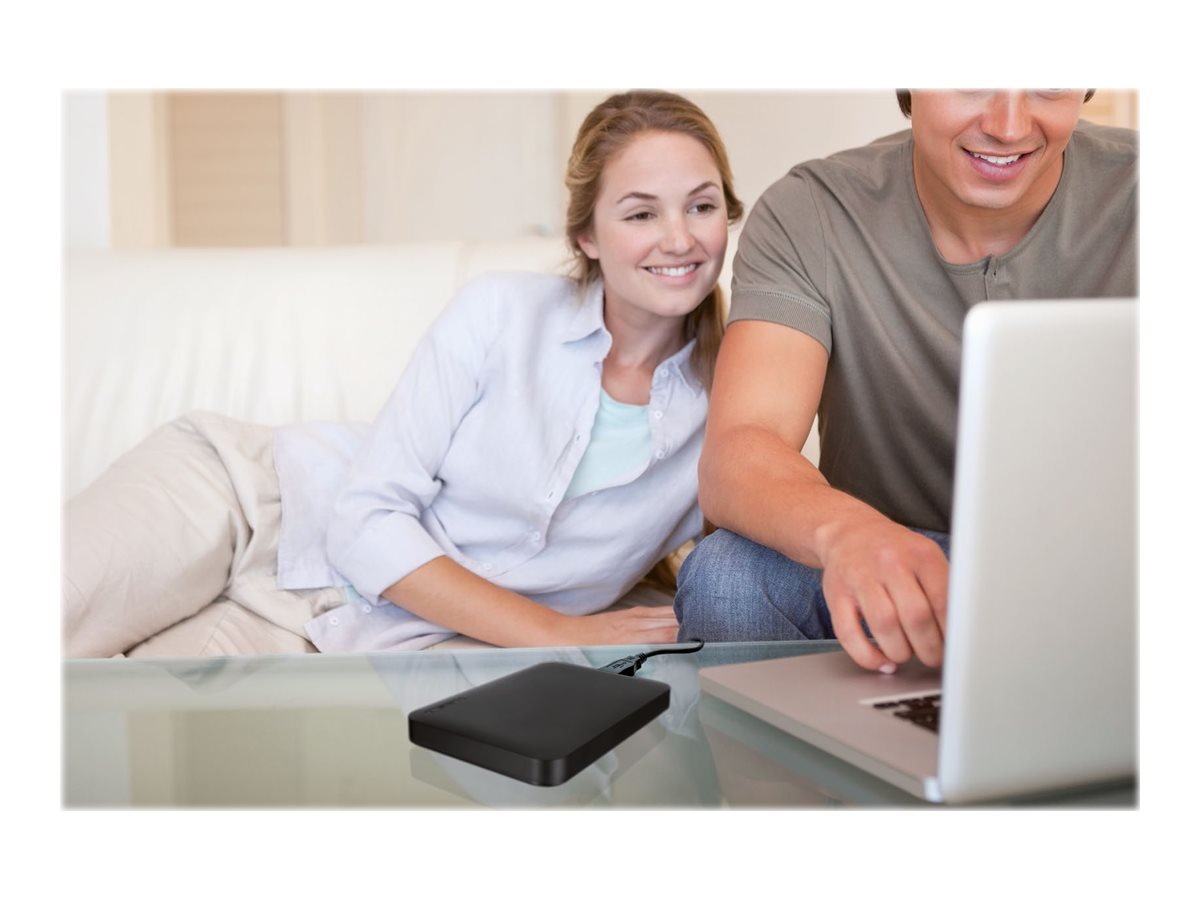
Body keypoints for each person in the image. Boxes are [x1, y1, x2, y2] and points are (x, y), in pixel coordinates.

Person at [64, 89, 744, 657]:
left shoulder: (735, 405)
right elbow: (364, 519)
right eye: (641, 213)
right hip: (251, 502)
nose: (679, 238)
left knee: (109, 739)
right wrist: (555, 632)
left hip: (346, 627)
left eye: (701, 205)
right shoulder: (501, 311)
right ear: (586, 236)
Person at [673, 89, 1137, 673]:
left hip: (1116, 574)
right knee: (729, 577)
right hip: (897, 569)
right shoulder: (814, 210)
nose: (1009, 126)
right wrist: (850, 533)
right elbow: (741, 450)